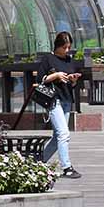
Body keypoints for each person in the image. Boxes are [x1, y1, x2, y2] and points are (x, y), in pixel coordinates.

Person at [38, 31, 82, 179]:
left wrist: (73, 79)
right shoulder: (48, 59)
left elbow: (72, 82)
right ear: (57, 46)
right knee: (64, 133)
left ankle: (38, 161)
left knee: (58, 137)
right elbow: (41, 79)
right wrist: (56, 75)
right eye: (64, 47)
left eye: (69, 47)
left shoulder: (69, 60)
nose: (67, 51)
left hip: (66, 99)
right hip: (53, 100)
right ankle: (67, 167)